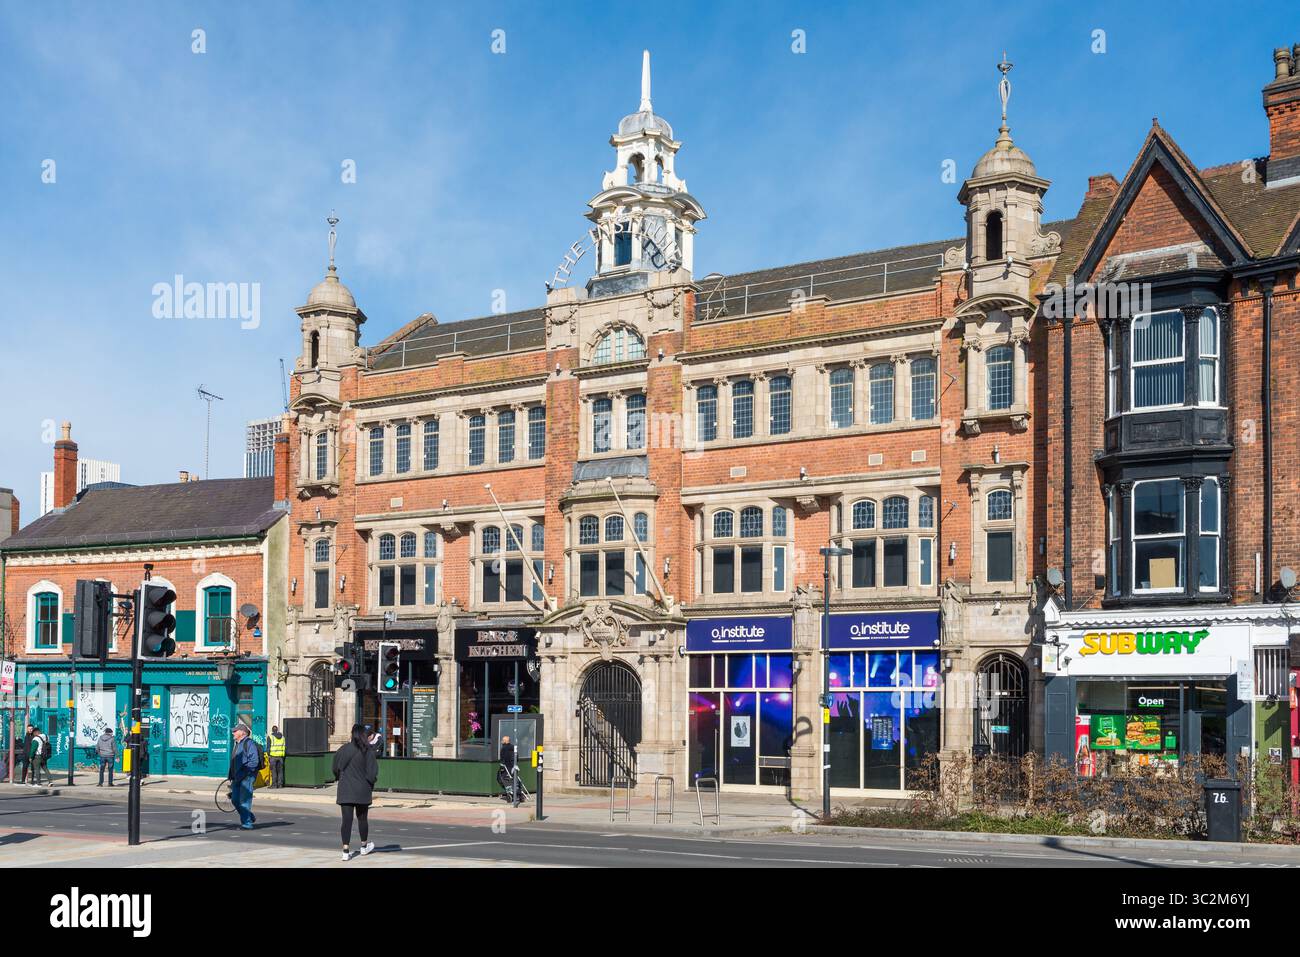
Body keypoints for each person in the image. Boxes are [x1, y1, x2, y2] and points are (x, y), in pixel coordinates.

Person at [333, 724, 379, 862]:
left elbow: (335, 767)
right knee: (362, 819)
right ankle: (364, 846)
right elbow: (372, 773)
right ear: (364, 735)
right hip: (362, 790)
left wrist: (339, 777)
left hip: (345, 789)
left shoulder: (343, 749)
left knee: (346, 821)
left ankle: (345, 851)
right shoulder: (368, 751)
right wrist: (371, 784)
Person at [228, 724, 261, 830]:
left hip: (247, 777)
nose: (233, 733)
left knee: (244, 801)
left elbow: (254, 761)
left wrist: (244, 772)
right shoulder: (237, 744)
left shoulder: (249, 743)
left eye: (235, 731)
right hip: (237, 777)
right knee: (235, 800)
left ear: (242, 732)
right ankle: (249, 816)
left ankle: (246, 823)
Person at [499, 734, 519, 807]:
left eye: (502, 740)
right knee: (514, 779)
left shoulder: (503, 748)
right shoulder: (513, 747)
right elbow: (516, 757)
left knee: (502, 779)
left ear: (505, 741)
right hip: (514, 767)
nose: (501, 741)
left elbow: (502, 758)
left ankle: (509, 793)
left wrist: (502, 765)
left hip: (506, 767)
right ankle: (517, 792)